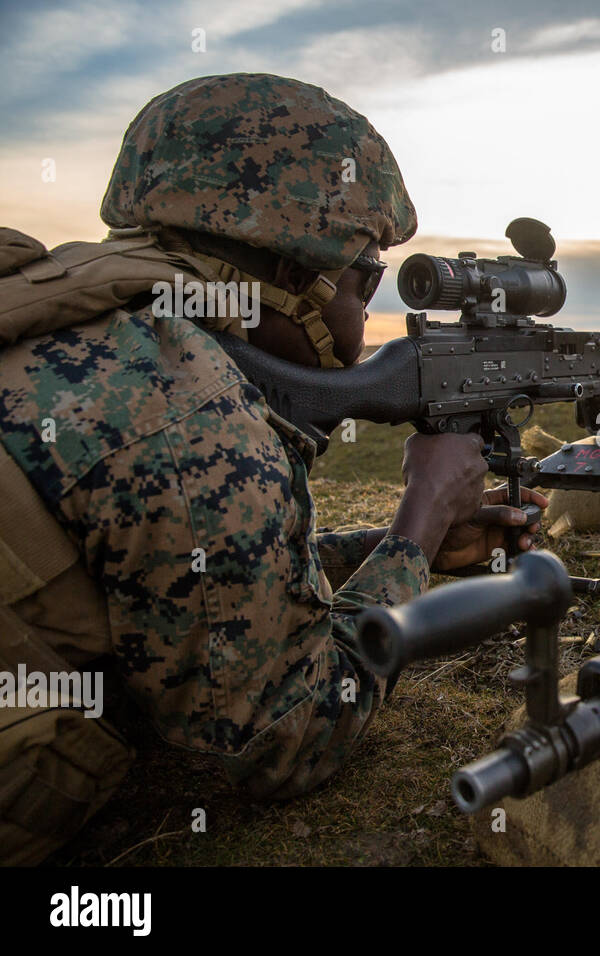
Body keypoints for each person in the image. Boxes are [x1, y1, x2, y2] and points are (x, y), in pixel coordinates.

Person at [0, 73, 545, 861]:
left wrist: (390, 552)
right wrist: (420, 521)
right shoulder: (189, 407)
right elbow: (284, 740)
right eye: (369, 276)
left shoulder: (61, 313)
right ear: (296, 274)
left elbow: (180, 579)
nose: (366, 312)